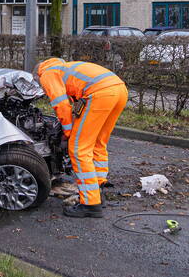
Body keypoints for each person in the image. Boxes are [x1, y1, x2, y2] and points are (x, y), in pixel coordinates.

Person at [35, 58, 129, 218]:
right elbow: (74, 101)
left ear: (37, 75)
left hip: (100, 94)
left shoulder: (47, 74)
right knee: (98, 144)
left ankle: (90, 204)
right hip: (119, 90)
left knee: (79, 149)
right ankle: (97, 192)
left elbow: (61, 104)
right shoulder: (65, 68)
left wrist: (67, 132)